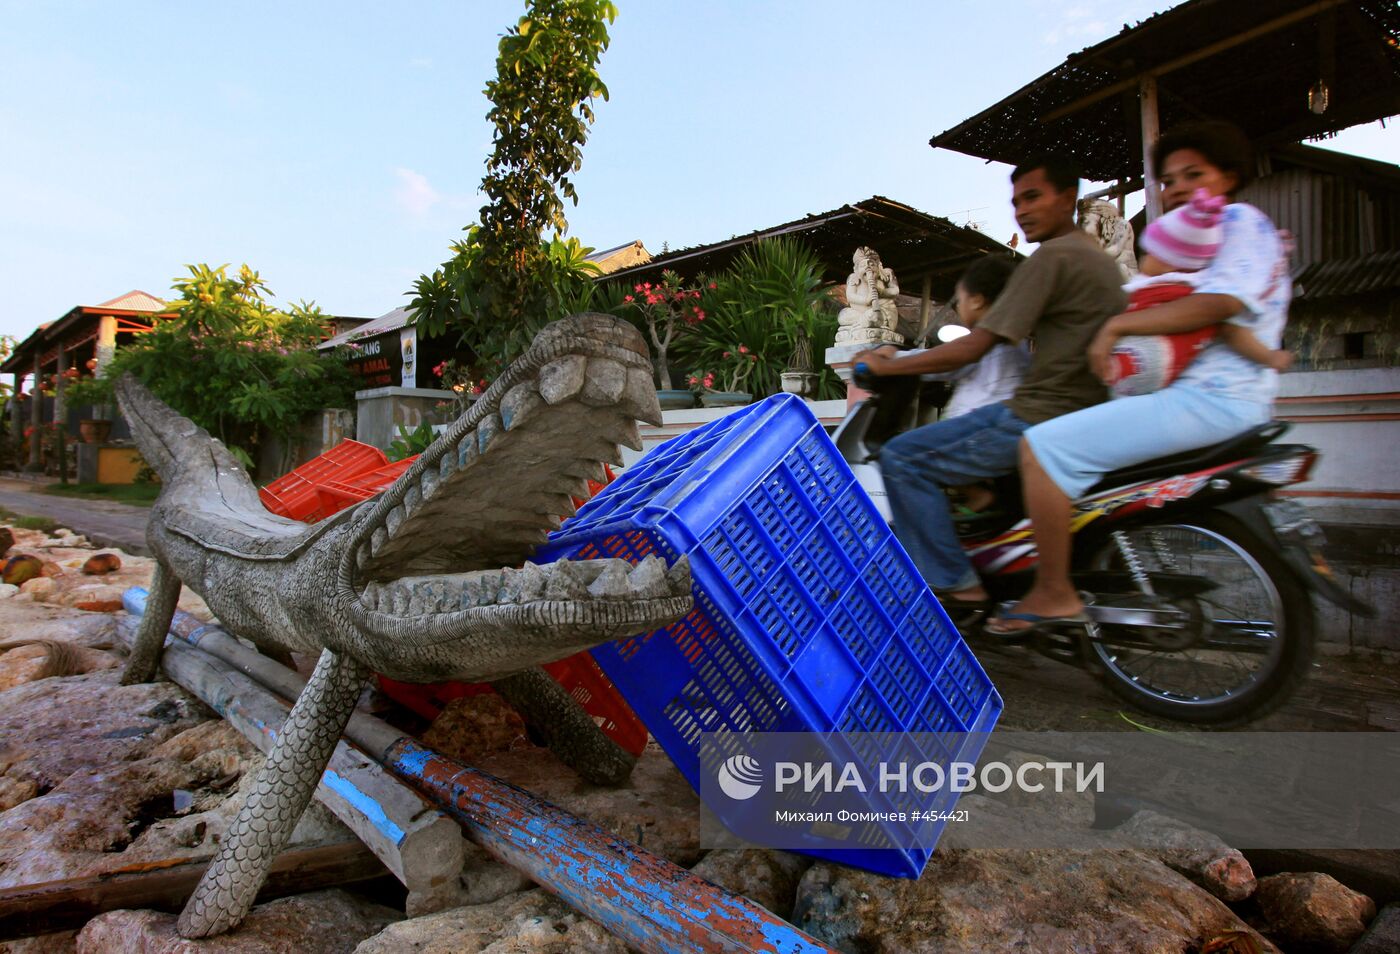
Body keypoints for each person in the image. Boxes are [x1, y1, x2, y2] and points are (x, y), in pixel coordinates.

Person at [988, 121, 1291, 636]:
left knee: (1040, 449)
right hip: (1202, 398)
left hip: (1212, 400)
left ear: (1229, 177)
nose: (1176, 189)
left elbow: (1219, 304)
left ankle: (1054, 592)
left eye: (1193, 174)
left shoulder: (1240, 218)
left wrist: (1117, 325)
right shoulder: (1205, 237)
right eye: (1169, 180)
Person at [855, 154, 1127, 615]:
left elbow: (970, 349)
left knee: (904, 457)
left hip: (1040, 413)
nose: (1021, 210)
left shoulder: (1052, 258)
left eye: (1033, 197)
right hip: (1084, 411)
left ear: (1068, 198)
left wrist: (887, 366)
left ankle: (956, 586)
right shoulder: (1095, 259)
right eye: (1016, 200)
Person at [1108, 186, 1291, 397]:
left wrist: (1269, 357)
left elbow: (1232, 331)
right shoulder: (1174, 285)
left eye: (1151, 253)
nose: (1143, 258)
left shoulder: (1182, 290)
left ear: (1171, 262)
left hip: (1148, 366)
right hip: (1152, 371)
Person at [930, 256, 1028, 513]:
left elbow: (946, 363)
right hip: (1007, 428)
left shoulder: (979, 343)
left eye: (959, 300)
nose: (959, 307)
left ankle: (976, 496)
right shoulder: (1016, 341)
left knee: (909, 455)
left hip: (979, 430)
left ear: (977, 300)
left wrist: (895, 360)